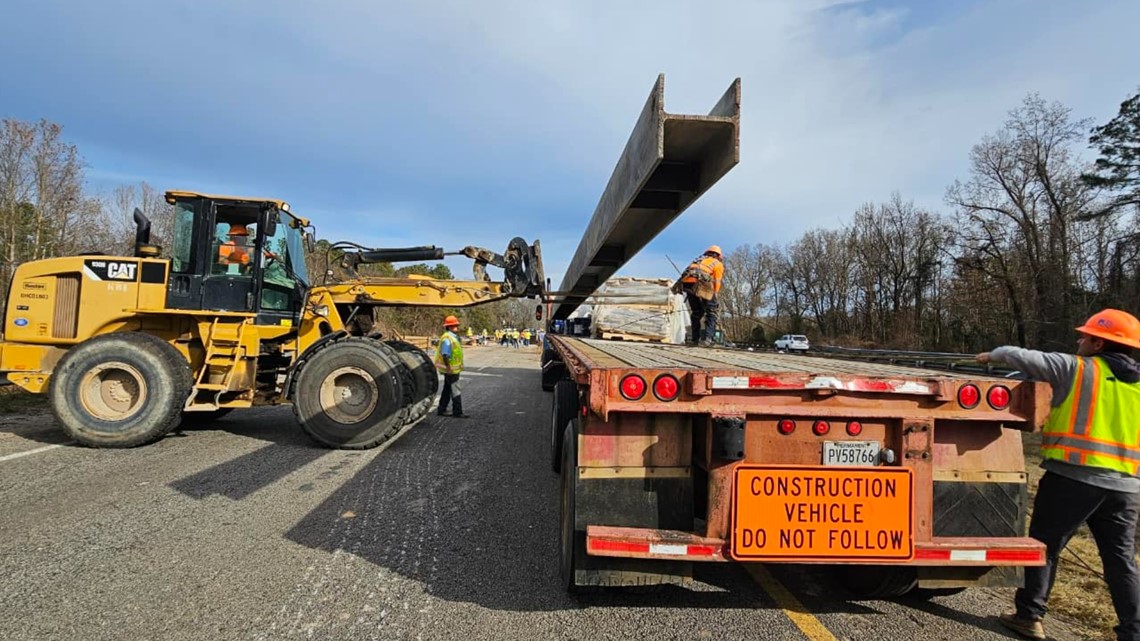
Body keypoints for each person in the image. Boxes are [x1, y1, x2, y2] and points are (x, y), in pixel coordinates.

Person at [977, 309, 1140, 641]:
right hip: (1126, 487)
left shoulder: (1077, 369)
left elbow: (1023, 358)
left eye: (1084, 336)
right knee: (1121, 561)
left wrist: (991, 355)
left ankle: (1029, 615)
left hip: (1072, 480)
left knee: (1044, 546)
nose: (1079, 340)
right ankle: (1133, 632)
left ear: (1099, 343)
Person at [674, 245, 724, 346]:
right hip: (702, 283)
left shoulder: (697, 261)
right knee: (712, 311)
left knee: (697, 312)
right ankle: (708, 339)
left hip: (688, 284)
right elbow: (717, 281)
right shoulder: (717, 264)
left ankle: (694, 340)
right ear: (718, 256)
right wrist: (715, 293)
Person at [434, 315, 470, 418]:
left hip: (452, 369)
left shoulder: (452, 337)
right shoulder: (448, 338)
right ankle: (457, 412)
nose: (456, 327)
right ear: (449, 327)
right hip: (451, 370)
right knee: (455, 390)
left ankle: (441, 409)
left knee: (447, 389)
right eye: (454, 325)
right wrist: (449, 368)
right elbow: (445, 354)